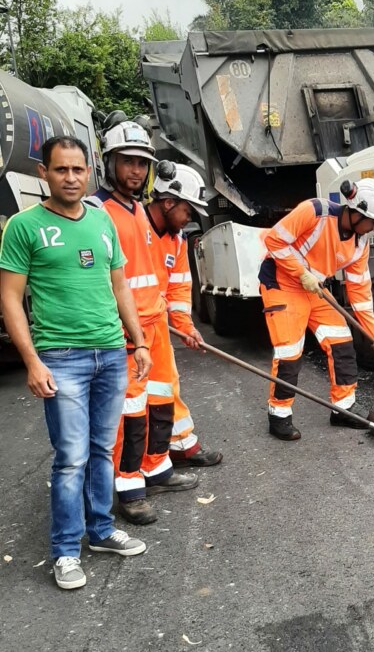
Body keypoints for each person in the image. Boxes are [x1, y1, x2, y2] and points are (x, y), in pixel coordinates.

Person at [0, 136, 150, 590]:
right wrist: (31, 361)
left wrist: (138, 342)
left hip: (110, 353)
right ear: (43, 173)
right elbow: (9, 297)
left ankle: (101, 531)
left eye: (78, 170)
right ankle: (66, 550)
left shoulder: (102, 222)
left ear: (89, 173)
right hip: (60, 359)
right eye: (61, 170)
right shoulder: (25, 227)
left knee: (103, 451)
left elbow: (120, 286)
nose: (71, 178)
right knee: (71, 459)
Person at [86, 117, 198, 525]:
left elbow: (162, 279)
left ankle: (156, 466)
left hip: (155, 327)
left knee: (161, 399)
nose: (136, 170)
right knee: (130, 411)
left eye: (141, 163)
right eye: (127, 161)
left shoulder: (138, 211)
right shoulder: (97, 212)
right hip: (125, 330)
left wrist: (180, 324)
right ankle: (128, 485)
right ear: (109, 161)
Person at [258, 178, 374, 441]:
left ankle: (343, 409)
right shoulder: (315, 211)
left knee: (342, 342)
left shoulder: (360, 243)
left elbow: (359, 290)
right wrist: (301, 273)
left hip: (315, 289)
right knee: (290, 352)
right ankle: (279, 415)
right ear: (356, 212)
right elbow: (274, 241)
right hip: (282, 282)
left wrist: (373, 331)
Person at [144, 161, 222, 467]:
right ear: (168, 202)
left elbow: (178, 290)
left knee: (165, 384)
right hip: (125, 331)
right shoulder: (135, 229)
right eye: (187, 210)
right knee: (136, 399)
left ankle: (179, 444)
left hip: (156, 327)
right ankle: (140, 467)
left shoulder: (176, 241)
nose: (189, 218)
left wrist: (187, 327)